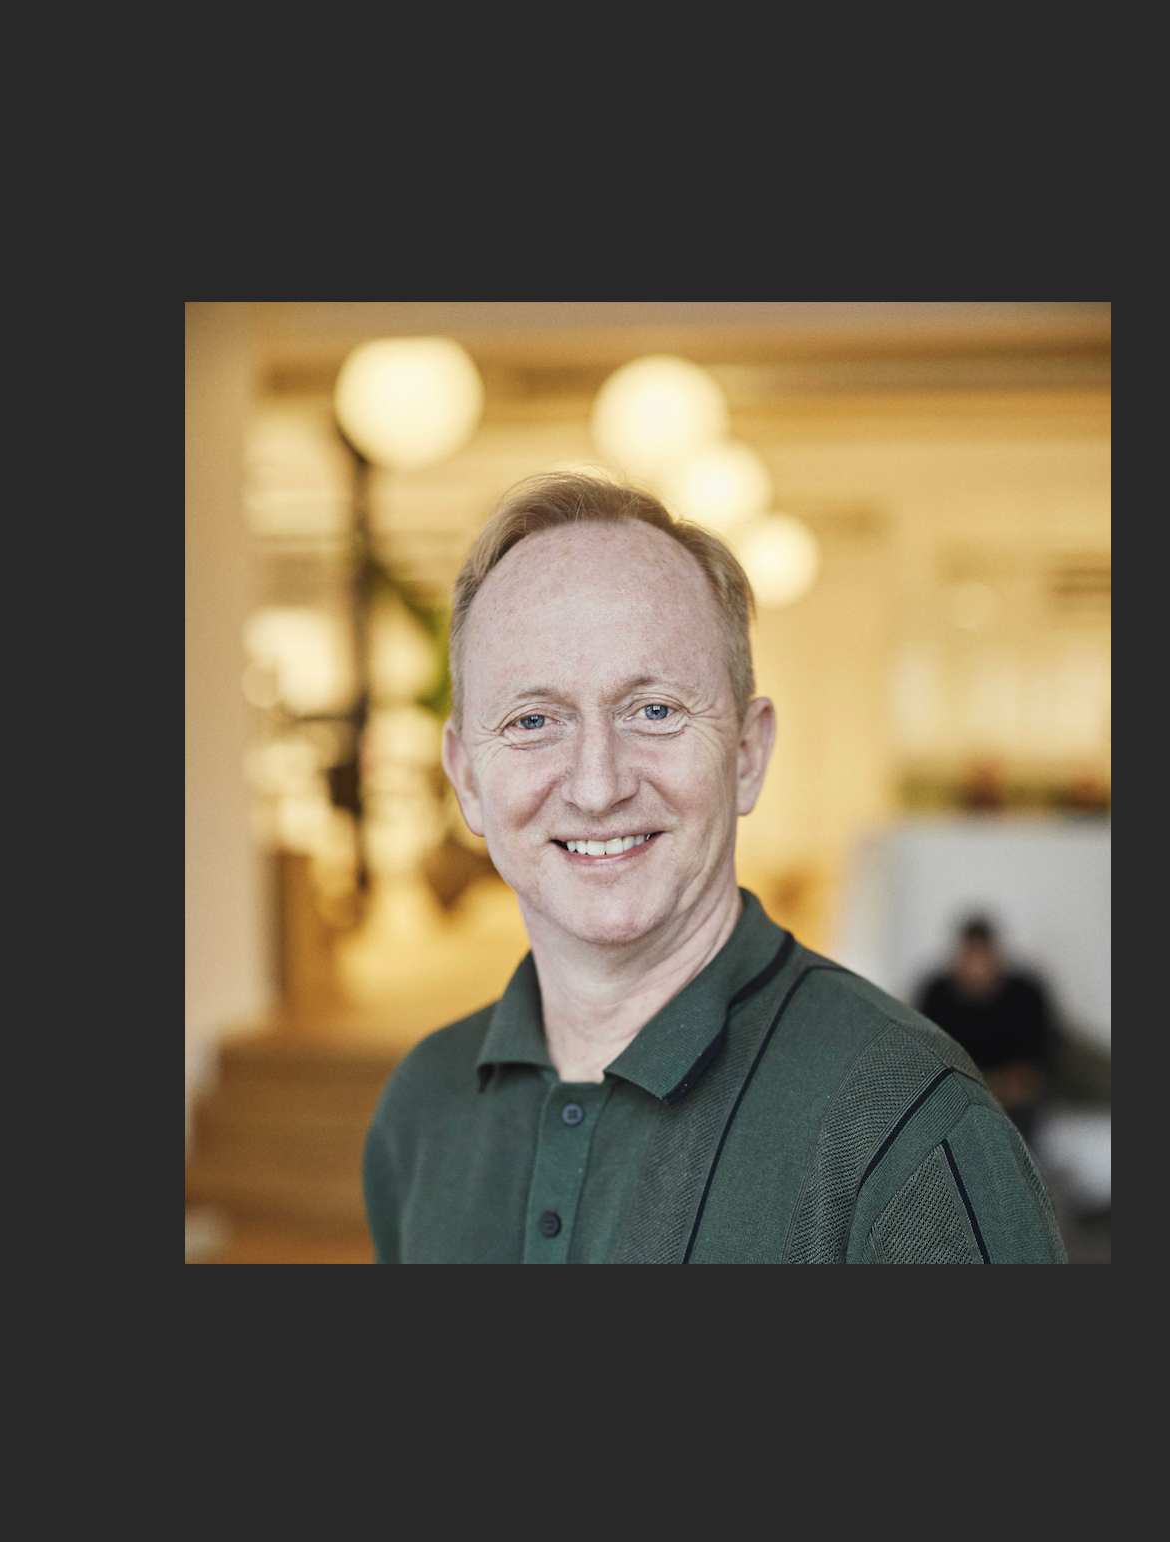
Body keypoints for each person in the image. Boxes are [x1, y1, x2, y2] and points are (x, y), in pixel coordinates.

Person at [362, 474, 1064, 1263]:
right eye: (533, 720)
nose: (597, 786)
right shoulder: (422, 1106)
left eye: (654, 710)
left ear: (747, 755)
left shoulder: (908, 1126)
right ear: (466, 779)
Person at [917, 918, 1056, 1144]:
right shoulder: (936, 995)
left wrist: (983, 1087)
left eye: (982, 958)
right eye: (970, 958)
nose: (976, 969)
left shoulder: (1026, 997)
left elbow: (1031, 1079)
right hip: (959, 1094)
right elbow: (922, 1065)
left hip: (1009, 1104)